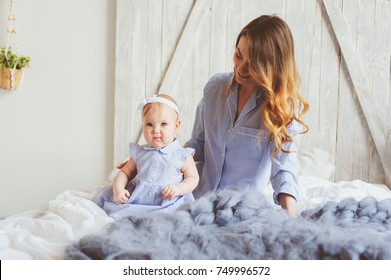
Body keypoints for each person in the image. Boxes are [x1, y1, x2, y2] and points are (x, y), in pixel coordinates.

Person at [184, 15, 309, 218]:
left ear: (273, 66)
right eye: (238, 55)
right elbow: (198, 144)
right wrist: (159, 159)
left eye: (254, 65)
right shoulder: (214, 88)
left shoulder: (284, 109)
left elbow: (284, 171)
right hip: (197, 201)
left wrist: (294, 224)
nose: (241, 69)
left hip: (239, 213)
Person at [96, 94, 199, 218]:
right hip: (137, 201)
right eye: (149, 124)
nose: (155, 130)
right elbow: (125, 172)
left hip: (167, 203)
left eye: (163, 124)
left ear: (176, 126)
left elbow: (193, 179)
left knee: (177, 217)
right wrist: (118, 190)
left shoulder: (182, 155)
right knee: (119, 212)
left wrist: (178, 189)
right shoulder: (139, 152)